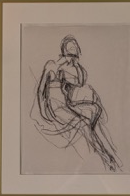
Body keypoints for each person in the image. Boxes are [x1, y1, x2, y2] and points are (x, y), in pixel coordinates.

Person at [31, 36, 121, 172]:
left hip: (66, 105)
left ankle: (105, 151)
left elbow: (79, 82)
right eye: (71, 53)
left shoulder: (64, 70)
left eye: (75, 54)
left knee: (95, 108)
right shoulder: (51, 65)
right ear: (64, 51)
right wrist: (44, 111)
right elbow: (40, 90)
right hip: (55, 108)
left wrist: (76, 67)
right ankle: (106, 156)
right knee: (84, 124)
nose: (73, 58)